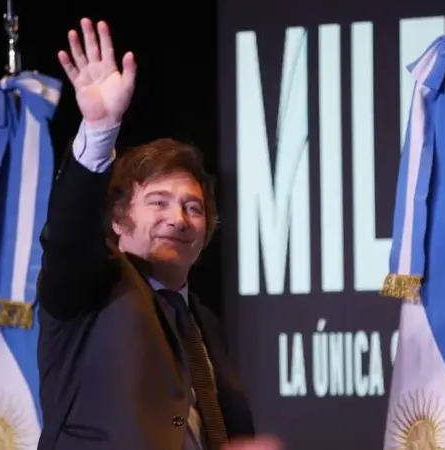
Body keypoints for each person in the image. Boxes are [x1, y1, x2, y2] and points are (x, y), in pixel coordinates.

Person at [36, 18, 281, 450]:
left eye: (193, 208)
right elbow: (68, 236)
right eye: (158, 202)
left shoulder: (202, 322)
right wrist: (99, 131)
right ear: (117, 218)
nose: (178, 219)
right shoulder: (92, 284)